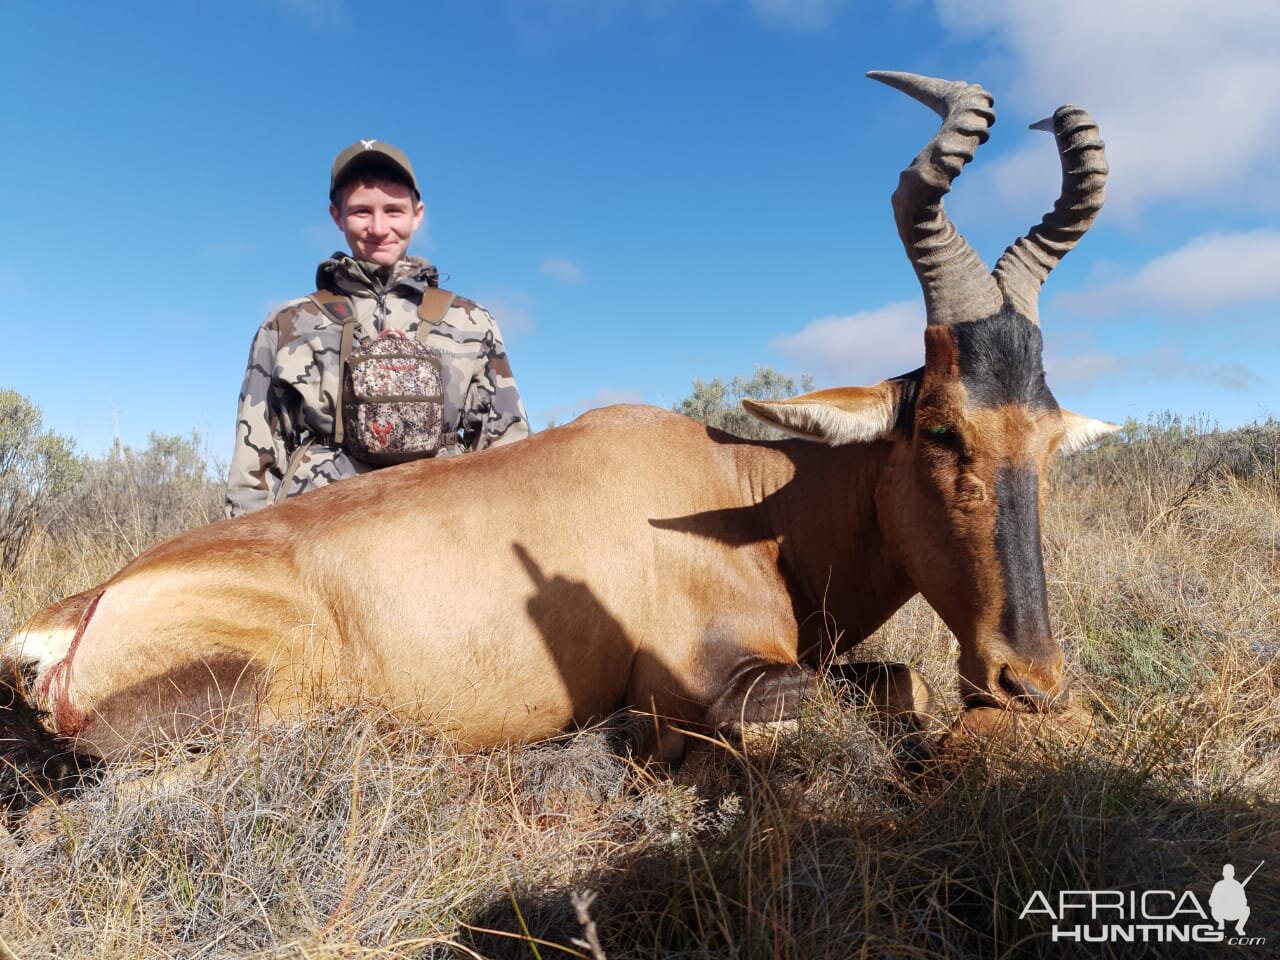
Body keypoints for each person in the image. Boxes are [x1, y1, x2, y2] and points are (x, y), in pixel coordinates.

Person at [225, 139, 529, 517]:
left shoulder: (471, 319)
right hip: (320, 529)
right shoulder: (288, 323)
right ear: (336, 216)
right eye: (361, 212)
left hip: (443, 526)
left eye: (394, 211)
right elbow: (255, 457)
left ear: (418, 214)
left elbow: (507, 448)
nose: (379, 228)